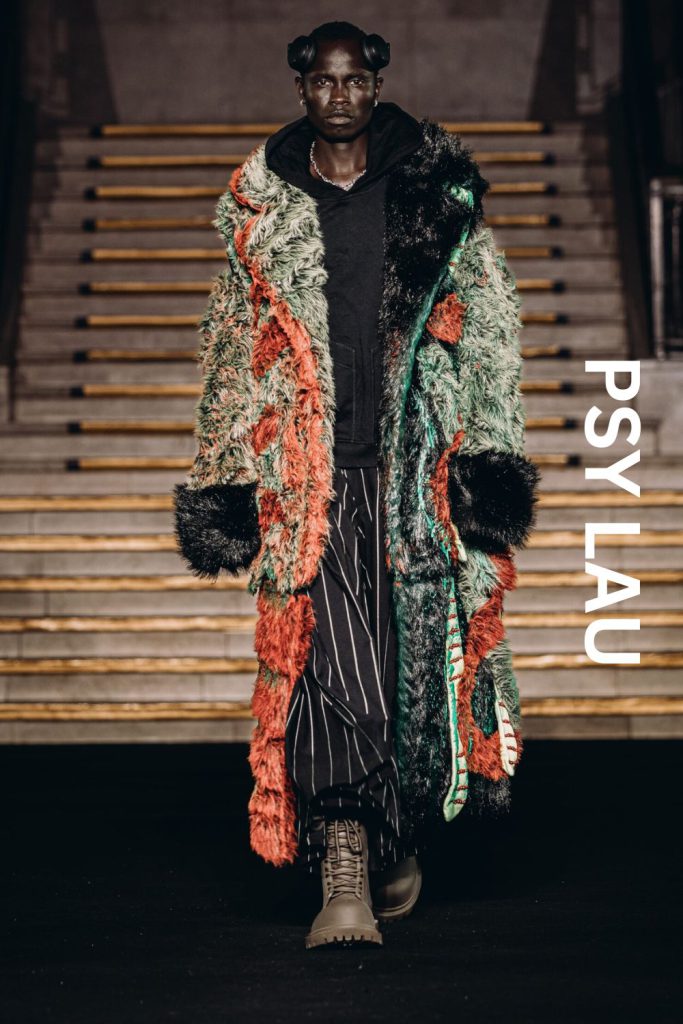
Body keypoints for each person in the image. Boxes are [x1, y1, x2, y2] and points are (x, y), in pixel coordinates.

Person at [174, 20, 539, 950]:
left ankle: (394, 833)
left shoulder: (435, 195)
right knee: (330, 662)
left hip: (415, 472)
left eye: (353, 81)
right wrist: (223, 479)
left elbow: (489, 334)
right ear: (301, 89)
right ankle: (343, 859)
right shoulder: (263, 209)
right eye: (322, 81)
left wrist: (489, 460)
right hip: (310, 479)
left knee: (407, 658)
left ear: (375, 85)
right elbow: (229, 350)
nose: (338, 96)